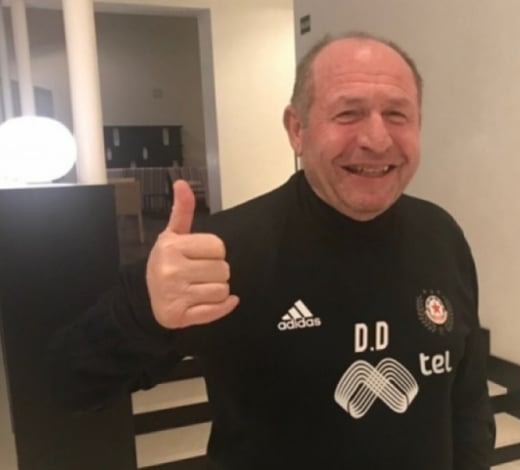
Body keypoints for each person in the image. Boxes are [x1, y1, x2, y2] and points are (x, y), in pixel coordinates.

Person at [50, 32, 495, 469]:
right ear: (297, 129)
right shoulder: (223, 252)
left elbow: (468, 398)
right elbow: (69, 385)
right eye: (348, 113)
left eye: (397, 114)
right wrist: (143, 312)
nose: (377, 140)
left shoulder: (442, 234)